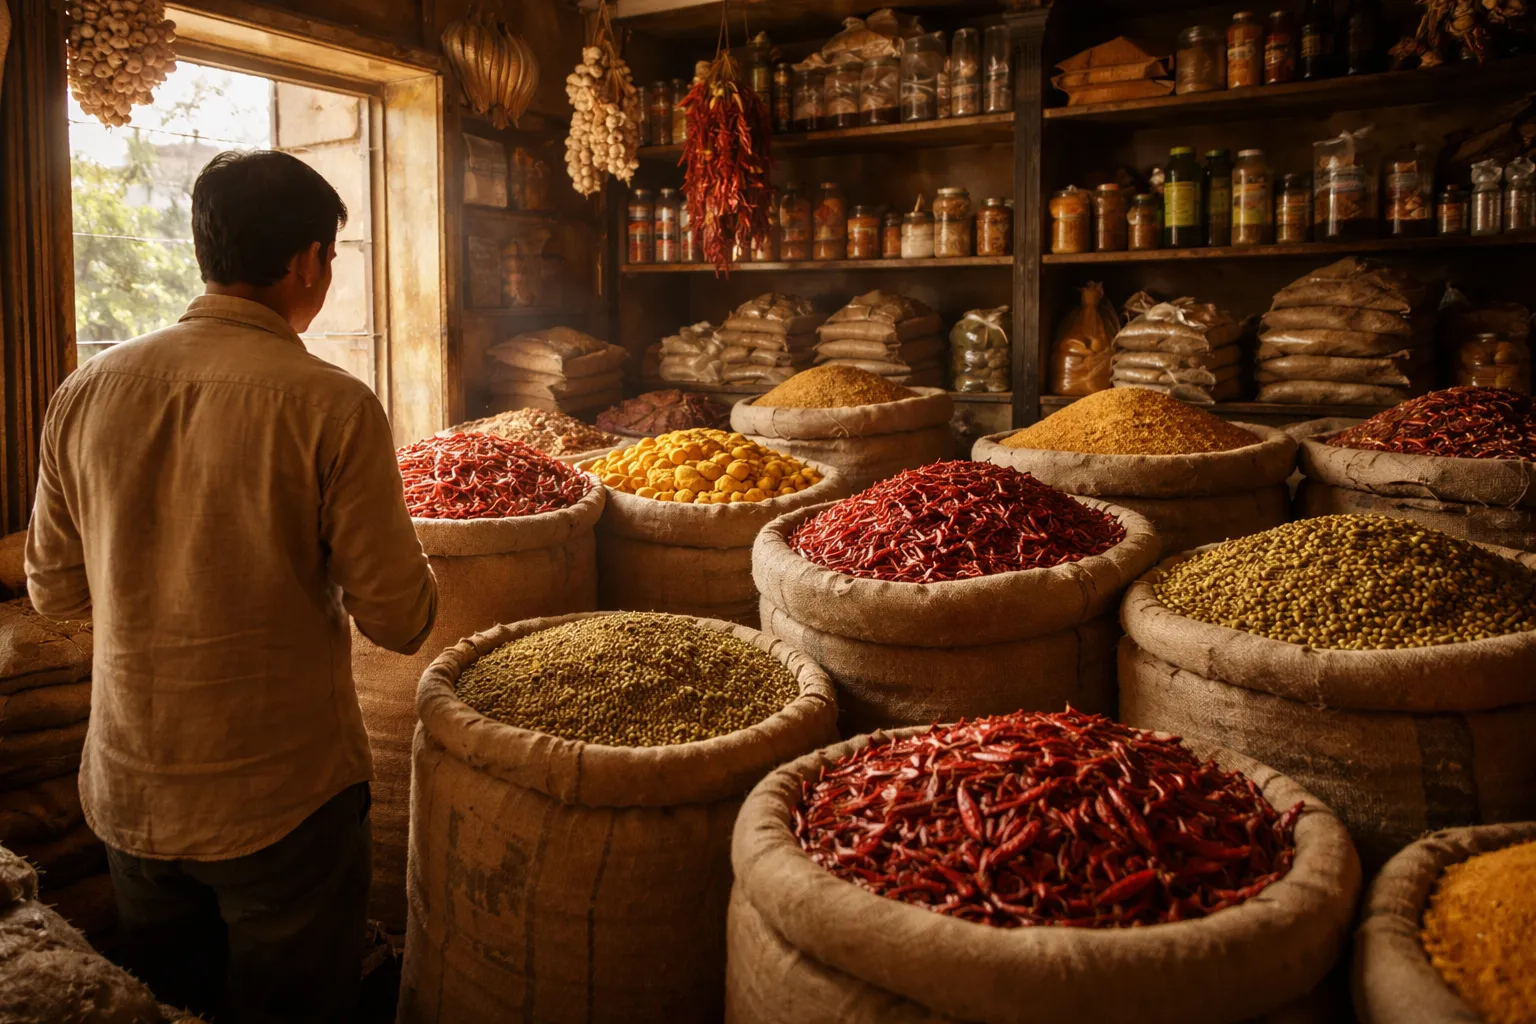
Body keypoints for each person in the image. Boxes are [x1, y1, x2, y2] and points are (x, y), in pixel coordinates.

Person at [25, 150, 436, 1022]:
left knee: (171, 1005)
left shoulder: (84, 390)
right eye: (331, 256)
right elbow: (400, 619)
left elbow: (55, 594)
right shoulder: (331, 404)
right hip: (283, 805)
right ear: (306, 262)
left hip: (133, 792)